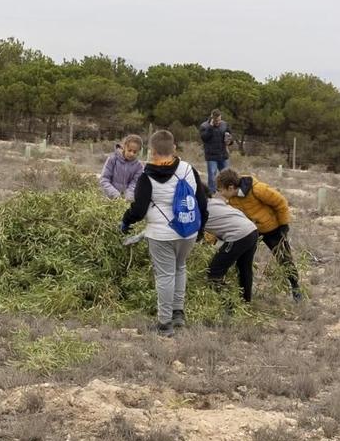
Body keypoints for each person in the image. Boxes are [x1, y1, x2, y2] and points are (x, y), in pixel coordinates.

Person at [119, 129, 209, 335]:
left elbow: (139, 210)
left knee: (165, 276)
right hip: (188, 231)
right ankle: (178, 314)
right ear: (174, 148)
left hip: (161, 234)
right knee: (180, 267)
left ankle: (164, 323)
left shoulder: (146, 177)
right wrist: (201, 227)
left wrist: (126, 221)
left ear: (151, 151)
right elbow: (202, 202)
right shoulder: (189, 169)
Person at [216, 170, 302, 301]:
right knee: (243, 262)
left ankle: (295, 287)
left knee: (284, 259)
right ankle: (245, 296)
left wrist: (284, 225)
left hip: (272, 229)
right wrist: (211, 238)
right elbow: (229, 220)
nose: (220, 194)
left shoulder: (258, 189)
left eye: (221, 190)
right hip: (251, 232)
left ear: (231, 187)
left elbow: (280, 202)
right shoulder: (232, 199)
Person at [202, 191, 261, 302]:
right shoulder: (215, 202)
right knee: (244, 268)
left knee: (214, 273)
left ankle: (229, 303)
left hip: (238, 235)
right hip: (252, 230)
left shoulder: (198, 210)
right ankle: (245, 302)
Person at [99, 136, 145, 200]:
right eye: (129, 150)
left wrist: (128, 197)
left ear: (139, 151)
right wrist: (115, 194)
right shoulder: (113, 159)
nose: (132, 154)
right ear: (124, 147)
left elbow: (135, 184)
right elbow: (104, 179)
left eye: (135, 152)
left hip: (126, 200)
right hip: (108, 199)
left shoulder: (139, 167)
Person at [197, 110, 232, 184]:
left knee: (227, 176)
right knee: (212, 176)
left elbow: (230, 136)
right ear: (212, 118)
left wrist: (230, 141)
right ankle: (211, 192)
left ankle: (226, 192)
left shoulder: (225, 124)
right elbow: (204, 138)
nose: (218, 122)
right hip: (211, 156)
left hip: (223, 155)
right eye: (216, 120)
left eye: (219, 120)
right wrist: (210, 127)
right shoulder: (204, 126)